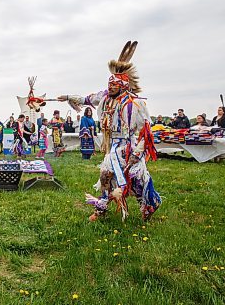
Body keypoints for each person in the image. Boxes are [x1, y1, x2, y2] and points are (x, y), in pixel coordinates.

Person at [58, 41, 161, 222]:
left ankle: (149, 205)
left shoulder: (136, 104)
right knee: (105, 177)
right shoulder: (105, 98)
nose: (110, 87)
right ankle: (101, 209)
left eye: (114, 85)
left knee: (136, 181)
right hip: (112, 147)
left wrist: (137, 154)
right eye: (109, 84)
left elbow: (146, 132)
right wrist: (67, 97)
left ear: (123, 85)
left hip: (128, 146)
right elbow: (86, 99)